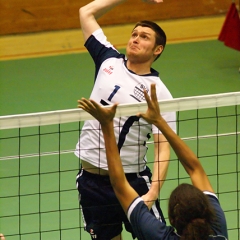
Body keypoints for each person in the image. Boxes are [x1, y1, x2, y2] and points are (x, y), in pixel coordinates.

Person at [75, 0, 176, 239]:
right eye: (134, 34)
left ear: (157, 49)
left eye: (144, 37)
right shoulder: (108, 61)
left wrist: (153, 192)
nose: (136, 39)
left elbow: (163, 147)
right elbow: (85, 12)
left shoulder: (159, 92)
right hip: (91, 181)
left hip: (133, 183)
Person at [78, 83, 228, 240]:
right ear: (208, 212)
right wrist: (160, 121)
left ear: (172, 220)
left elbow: (119, 185)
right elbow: (195, 169)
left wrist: (106, 124)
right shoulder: (218, 232)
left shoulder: (159, 236)